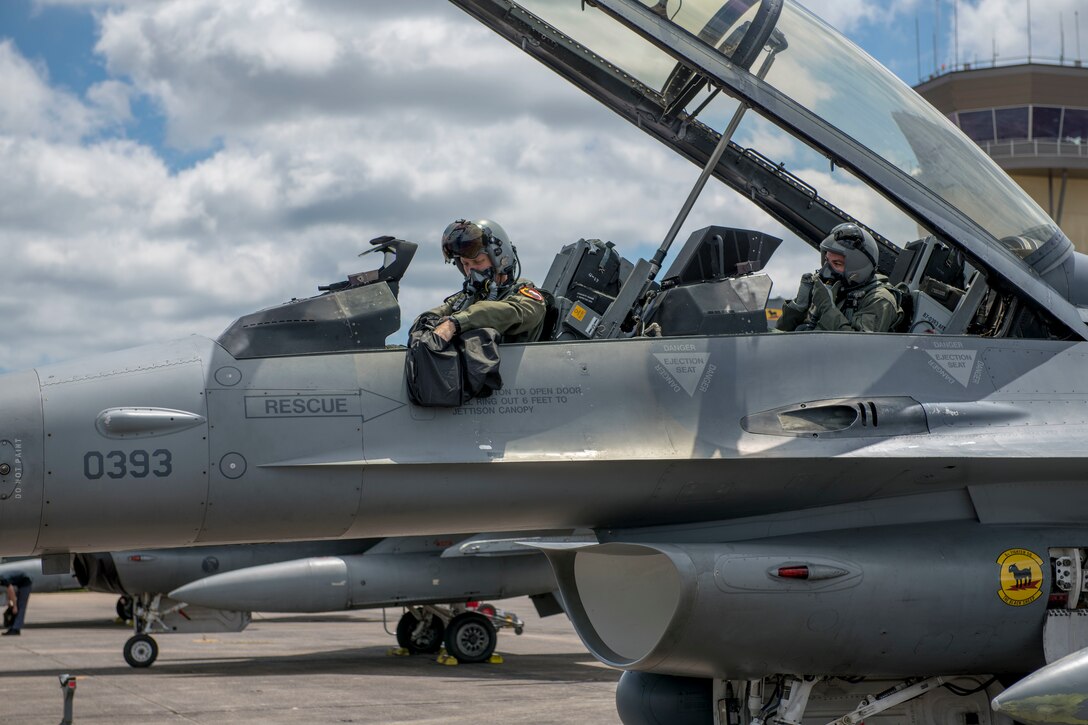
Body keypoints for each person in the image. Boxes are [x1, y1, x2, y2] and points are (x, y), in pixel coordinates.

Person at [424, 219, 547, 344]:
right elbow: (434, 314)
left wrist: (456, 323)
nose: (471, 269)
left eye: (478, 261)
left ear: (500, 259)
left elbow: (507, 312)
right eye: (465, 263)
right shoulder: (466, 298)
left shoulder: (527, 298)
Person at [777, 223, 900, 333]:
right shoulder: (836, 292)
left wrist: (827, 308)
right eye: (826, 260)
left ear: (858, 267)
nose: (826, 270)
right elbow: (781, 332)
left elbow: (857, 348)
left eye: (837, 264)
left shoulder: (880, 300)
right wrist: (798, 307)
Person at [1, 569, 32, 636]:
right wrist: (9, 602)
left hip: (25, 583)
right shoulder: (2, 579)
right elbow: (8, 590)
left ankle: (16, 629)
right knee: (15, 608)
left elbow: (10, 590)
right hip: (19, 584)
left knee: (20, 607)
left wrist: (14, 606)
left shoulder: (2, 579)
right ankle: (12, 628)